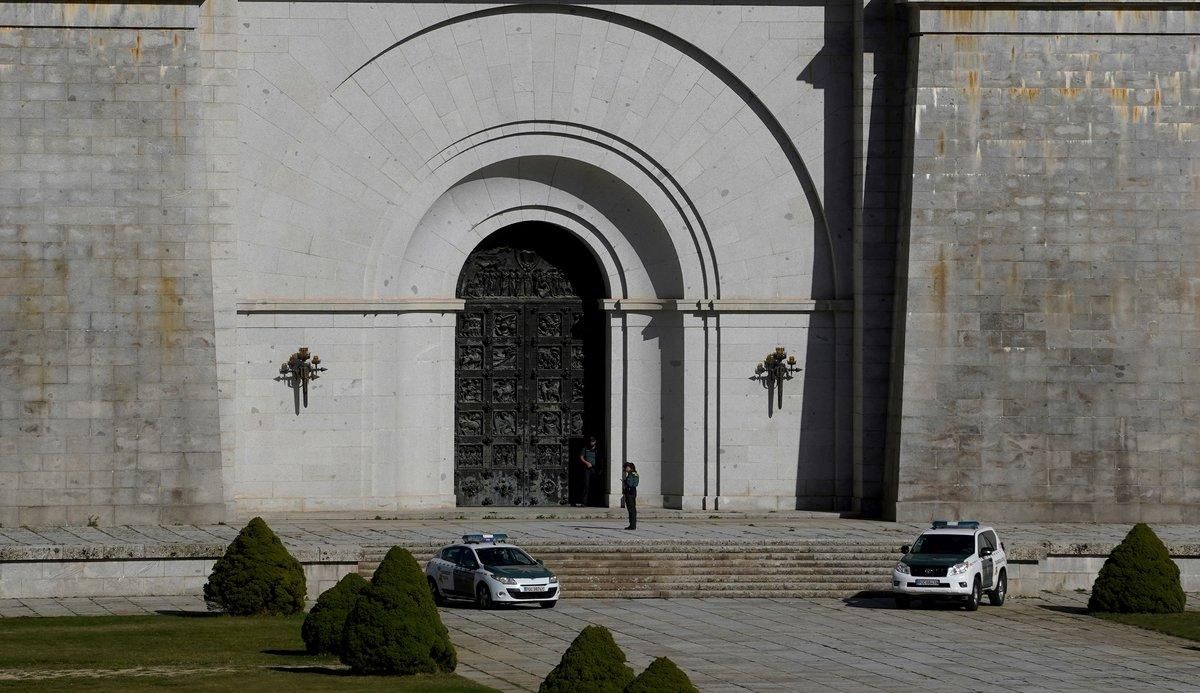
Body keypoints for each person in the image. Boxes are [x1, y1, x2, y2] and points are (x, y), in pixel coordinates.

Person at [575, 436, 598, 506]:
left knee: (595, 485)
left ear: (595, 441)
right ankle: (584, 502)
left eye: (593, 441)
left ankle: (595, 502)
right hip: (587, 468)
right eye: (591, 441)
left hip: (595, 468)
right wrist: (587, 463)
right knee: (586, 485)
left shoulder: (598, 449)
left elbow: (601, 459)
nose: (592, 442)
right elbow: (581, 457)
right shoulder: (585, 448)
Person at [621, 462, 639, 530]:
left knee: (631, 509)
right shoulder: (635, 474)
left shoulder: (631, 474)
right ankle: (632, 524)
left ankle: (632, 525)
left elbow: (630, 483)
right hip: (633, 492)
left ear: (629, 467)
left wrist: (625, 482)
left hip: (630, 492)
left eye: (626, 467)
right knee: (632, 509)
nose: (625, 469)